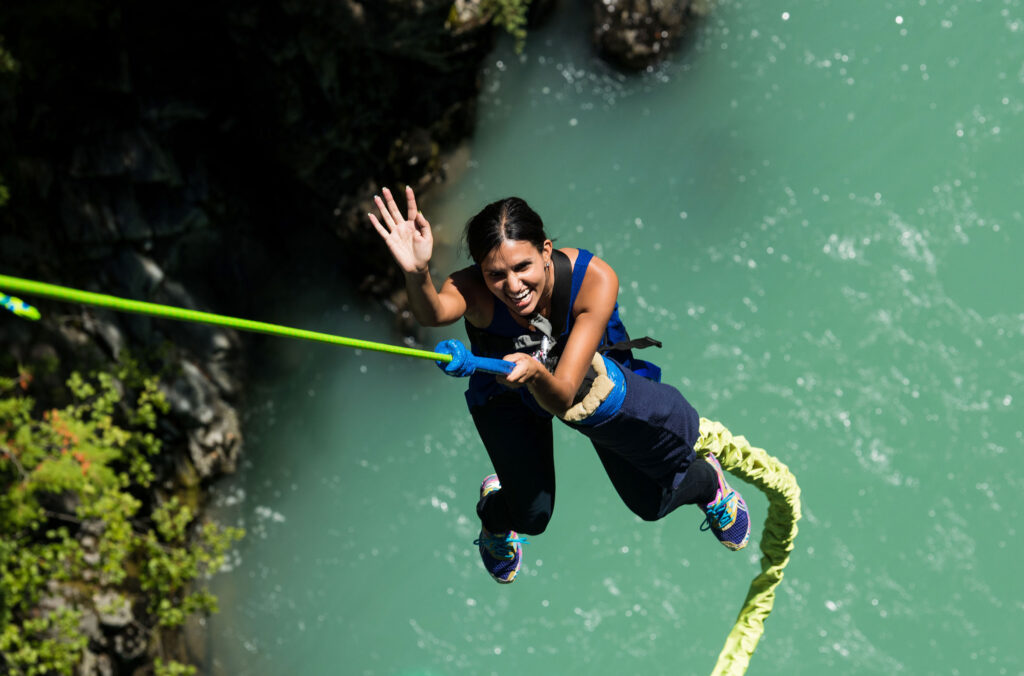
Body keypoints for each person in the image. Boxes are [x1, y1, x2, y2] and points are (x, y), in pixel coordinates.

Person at [369, 186, 750, 584]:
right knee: (531, 517)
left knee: (650, 503)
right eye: (495, 275)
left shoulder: (594, 280)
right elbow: (434, 312)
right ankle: (495, 515)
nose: (512, 286)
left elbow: (566, 395)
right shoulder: (478, 293)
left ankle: (708, 484)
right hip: (507, 395)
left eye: (523, 267)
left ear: (546, 252)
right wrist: (417, 273)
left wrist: (535, 372)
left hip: (587, 384)